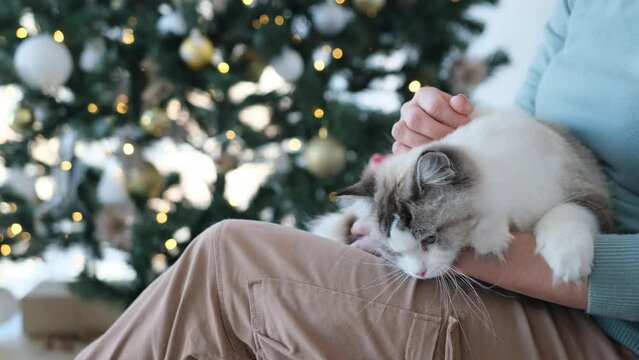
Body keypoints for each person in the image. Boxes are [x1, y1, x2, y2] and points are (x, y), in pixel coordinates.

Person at [76, 1, 638, 359]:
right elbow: (528, 133)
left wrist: (469, 245)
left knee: (231, 265)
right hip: (501, 268)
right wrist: (452, 134)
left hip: (603, 327)